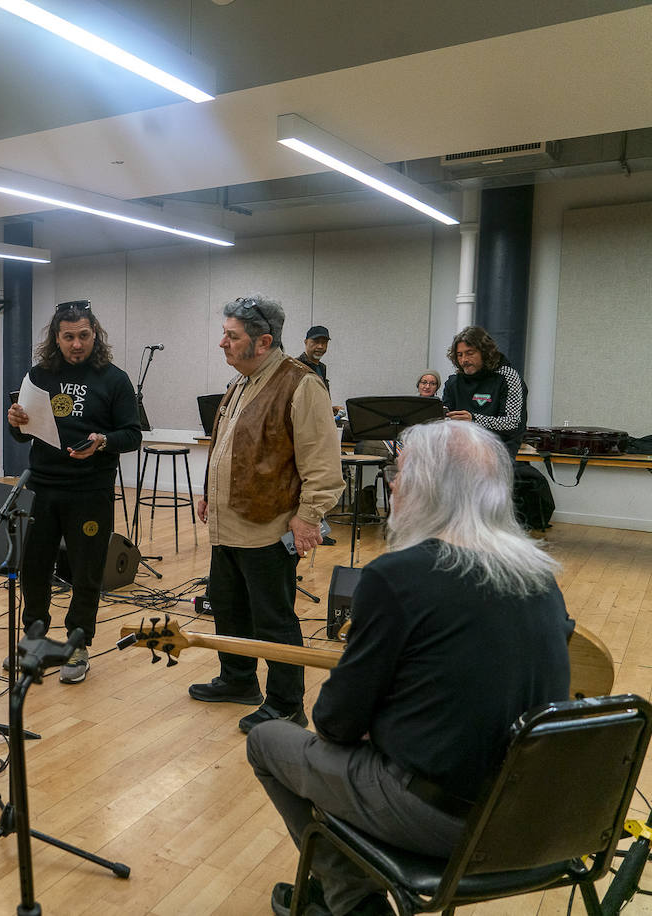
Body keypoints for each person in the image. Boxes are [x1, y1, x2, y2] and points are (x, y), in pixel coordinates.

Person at [248, 419, 572, 916]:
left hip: (446, 816)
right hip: (532, 812)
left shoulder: (398, 576)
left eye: (400, 473)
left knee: (268, 741)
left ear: (427, 487)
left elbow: (334, 722)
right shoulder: (540, 575)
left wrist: (373, 728)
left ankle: (352, 901)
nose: (393, 485)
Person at [189, 295, 343, 731]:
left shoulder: (301, 384)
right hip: (229, 522)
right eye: (224, 333)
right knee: (229, 608)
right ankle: (238, 680)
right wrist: (208, 492)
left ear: (262, 341)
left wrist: (309, 516)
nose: (222, 343)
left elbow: (323, 465)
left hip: (268, 526)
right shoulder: (242, 381)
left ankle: (286, 703)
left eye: (231, 336)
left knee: (273, 619)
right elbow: (227, 443)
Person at [6, 301, 141, 684]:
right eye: (68, 337)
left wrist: (102, 441)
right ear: (57, 338)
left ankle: (78, 645)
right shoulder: (39, 375)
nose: (76, 344)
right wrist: (15, 421)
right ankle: (33, 641)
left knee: (86, 572)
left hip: (90, 491)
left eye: (83, 335)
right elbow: (22, 431)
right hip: (42, 487)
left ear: (94, 334)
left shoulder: (114, 379)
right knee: (34, 568)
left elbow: (132, 434)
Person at [440, 325, 527, 458]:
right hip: (459, 454)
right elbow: (443, 419)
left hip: (497, 454)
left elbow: (512, 423)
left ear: (485, 352)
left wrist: (474, 420)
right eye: (460, 355)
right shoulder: (453, 382)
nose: (464, 360)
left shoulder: (508, 377)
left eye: (470, 353)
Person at [297, 325, 331, 389]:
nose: (320, 346)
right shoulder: (296, 366)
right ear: (306, 342)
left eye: (324, 342)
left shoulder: (322, 367)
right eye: (316, 342)